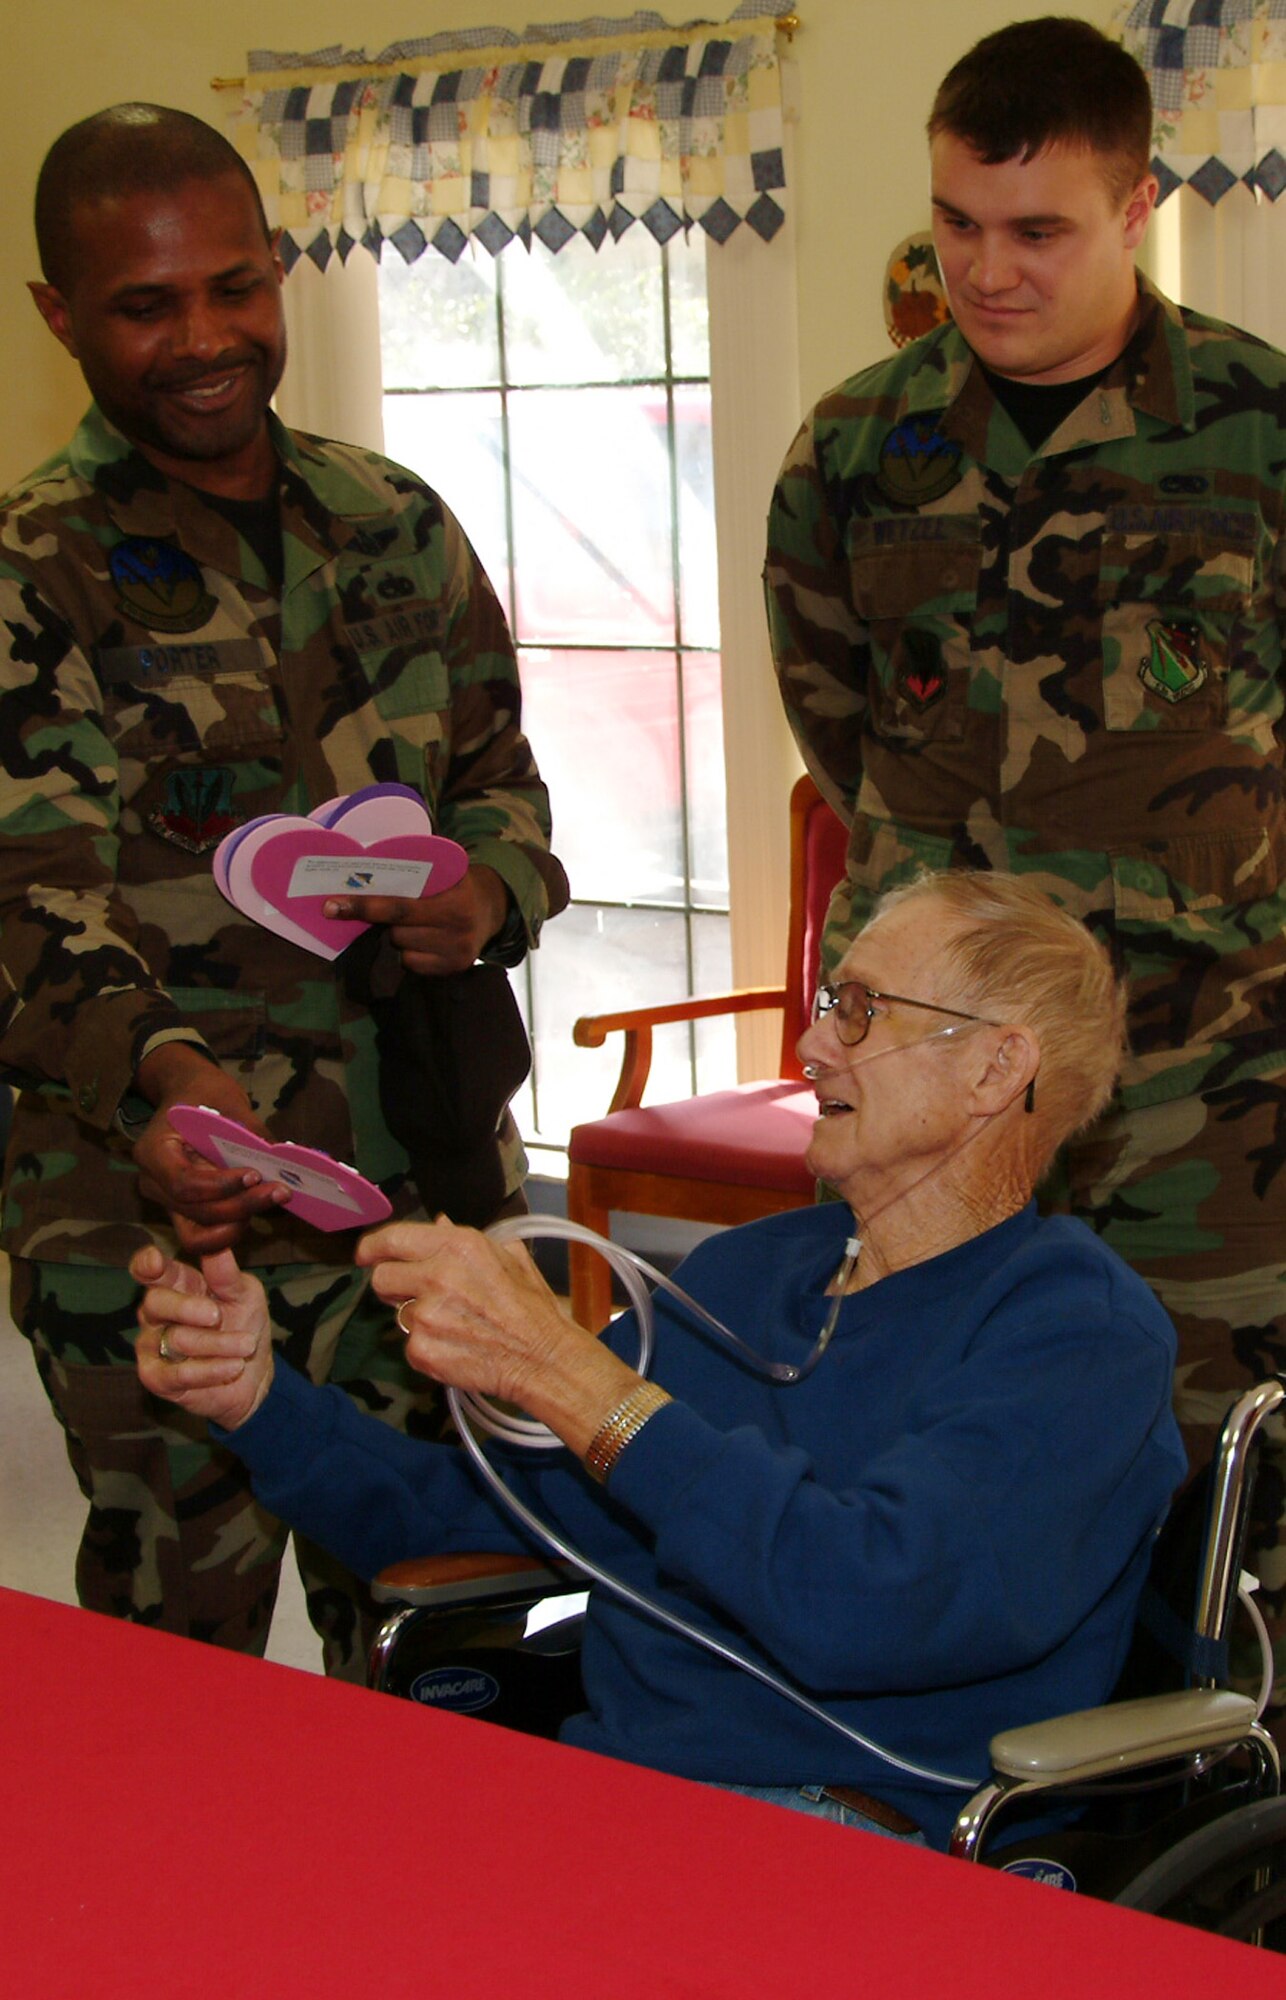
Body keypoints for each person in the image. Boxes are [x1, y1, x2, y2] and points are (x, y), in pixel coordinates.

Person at [134, 873, 1184, 1850]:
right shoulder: (744, 1271)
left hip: (856, 1832)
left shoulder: (1077, 1336)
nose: (812, 1042)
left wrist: (572, 1376)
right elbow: (472, 1513)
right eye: (827, 998)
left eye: (859, 1008)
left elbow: (866, 1605)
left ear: (995, 1067)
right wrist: (257, 1397)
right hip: (613, 1793)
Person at [0, 104, 568, 1676]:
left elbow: (507, 790)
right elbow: (27, 904)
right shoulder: (32, 573)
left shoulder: (393, 524)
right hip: (152, 1225)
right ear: (60, 314)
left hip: (416, 1185)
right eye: (146, 305)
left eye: (235, 287)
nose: (205, 338)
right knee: (183, 1667)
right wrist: (168, 1090)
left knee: (454, 1620)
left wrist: (490, 896)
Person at [764, 15, 1286, 1713]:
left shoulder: (1255, 432)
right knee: (926, 1473)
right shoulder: (859, 448)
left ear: (1138, 202)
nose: (986, 272)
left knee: (1225, 1523)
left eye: (1037, 229)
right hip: (934, 1103)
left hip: (1214, 1106)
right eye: (954, 227)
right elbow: (840, 724)